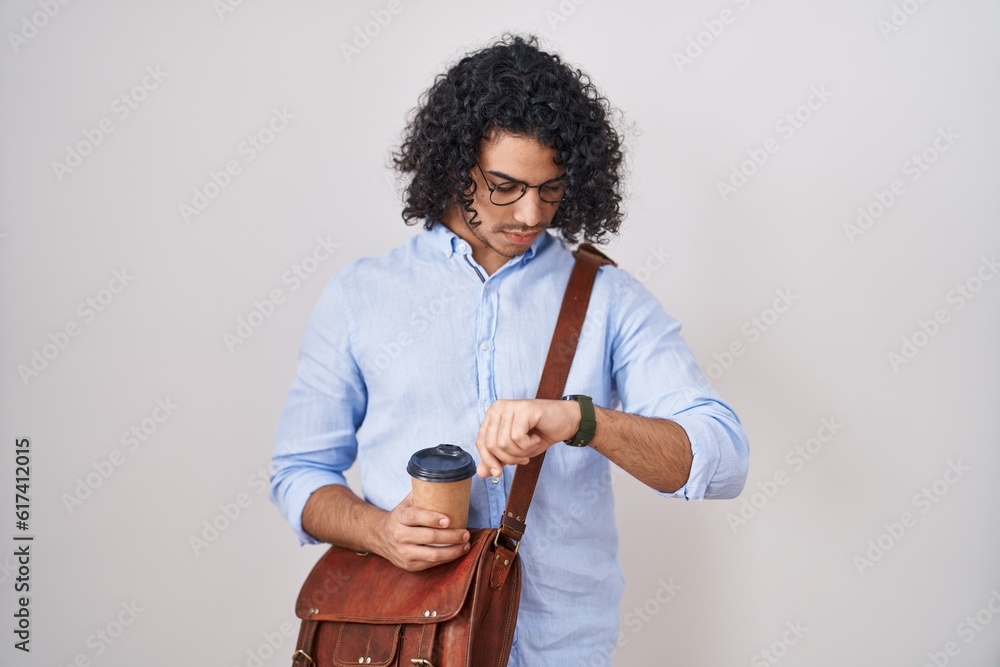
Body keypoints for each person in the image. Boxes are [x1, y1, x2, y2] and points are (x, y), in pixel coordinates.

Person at [270, 34, 749, 665]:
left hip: (563, 648)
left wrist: (580, 419)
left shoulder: (607, 297)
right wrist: (379, 532)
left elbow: (723, 459)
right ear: (452, 165)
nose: (530, 213)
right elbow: (299, 471)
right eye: (504, 186)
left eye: (550, 189)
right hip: (406, 643)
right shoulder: (362, 295)